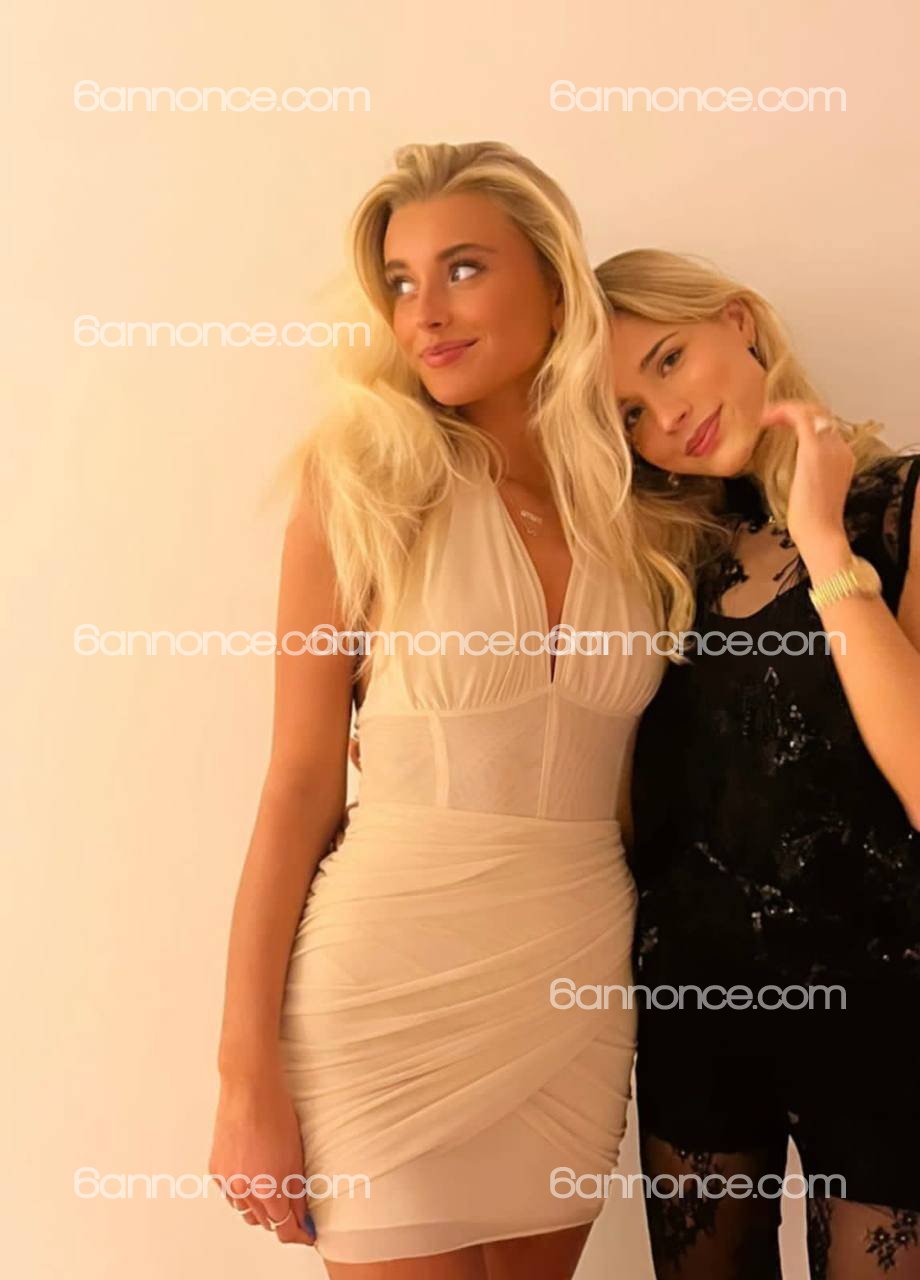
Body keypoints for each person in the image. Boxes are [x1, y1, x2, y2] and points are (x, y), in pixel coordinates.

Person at [209, 144, 689, 1277]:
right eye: (401, 281)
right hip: (387, 988)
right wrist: (243, 1074)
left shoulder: (638, 504)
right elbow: (297, 783)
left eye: (463, 269)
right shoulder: (360, 487)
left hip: (573, 987)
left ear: (556, 285)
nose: (424, 310)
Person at [596, 247, 920, 1280]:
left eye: (668, 359)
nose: (666, 416)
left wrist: (823, 541)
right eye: (628, 414)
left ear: (736, 320)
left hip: (885, 1019)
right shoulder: (653, 566)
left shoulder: (904, 505)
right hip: (694, 1012)